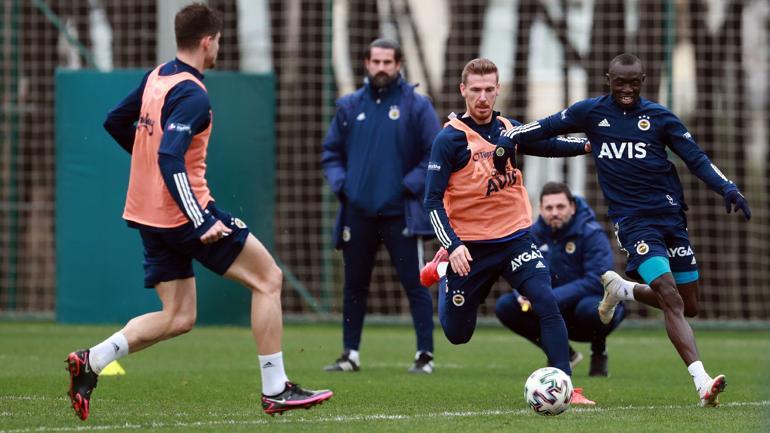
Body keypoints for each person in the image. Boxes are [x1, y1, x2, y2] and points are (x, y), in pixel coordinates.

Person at [66, 4, 332, 421]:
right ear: (209, 41)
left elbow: (116, 122)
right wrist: (202, 220)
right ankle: (276, 388)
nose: (218, 47)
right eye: (219, 40)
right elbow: (170, 157)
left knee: (178, 317)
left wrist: (152, 171)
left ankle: (92, 360)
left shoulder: (159, 76)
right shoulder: (192, 92)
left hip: (148, 216)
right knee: (269, 280)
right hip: (183, 216)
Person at [492, 53, 751, 406]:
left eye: (633, 82)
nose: (626, 89)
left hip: (672, 218)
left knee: (688, 305)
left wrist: (729, 188)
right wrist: (510, 138)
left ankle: (624, 289)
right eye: (619, 82)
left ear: (642, 80)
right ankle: (702, 382)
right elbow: (546, 127)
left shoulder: (660, 118)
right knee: (669, 295)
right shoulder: (591, 113)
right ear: (608, 80)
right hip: (634, 222)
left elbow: (696, 158)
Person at [422, 58, 595, 404]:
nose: (483, 97)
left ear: (498, 89)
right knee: (458, 334)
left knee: (545, 301)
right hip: (469, 250)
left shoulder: (509, 130)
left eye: (489, 89)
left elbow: (547, 145)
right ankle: (442, 268)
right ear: (463, 91)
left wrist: (588, 145)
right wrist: (452, 246)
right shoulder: (450, 140)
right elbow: (431, 201)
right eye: (476, 90)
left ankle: (567, 387)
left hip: (515, 241)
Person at [321, 38, 439, 374]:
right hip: (357, 212)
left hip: (400, 213)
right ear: (366, 64)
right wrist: (343, 185)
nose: (382, 67)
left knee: (416, 284)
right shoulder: (348, 106)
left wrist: (407, 185)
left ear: (399, 65)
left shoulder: (416, 105)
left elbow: (434, 152)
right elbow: (331, 153)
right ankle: (350, 355)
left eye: (388, 61)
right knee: (354, 284)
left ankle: (425, 355)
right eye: (376, 61)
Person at [494, 182, 623, 377]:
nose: (555, 212)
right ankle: (564, 353)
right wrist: (521, 293)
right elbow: (518, 269)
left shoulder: (591, 232)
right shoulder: (532, 235)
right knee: (506, 306)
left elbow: (597, 279)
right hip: (552, 308)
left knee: (591, 310)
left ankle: (599, 350)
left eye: (560, 207)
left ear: (572, 207)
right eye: (549, 208)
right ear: (541, 209)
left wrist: (549, 297)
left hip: (586, 306)